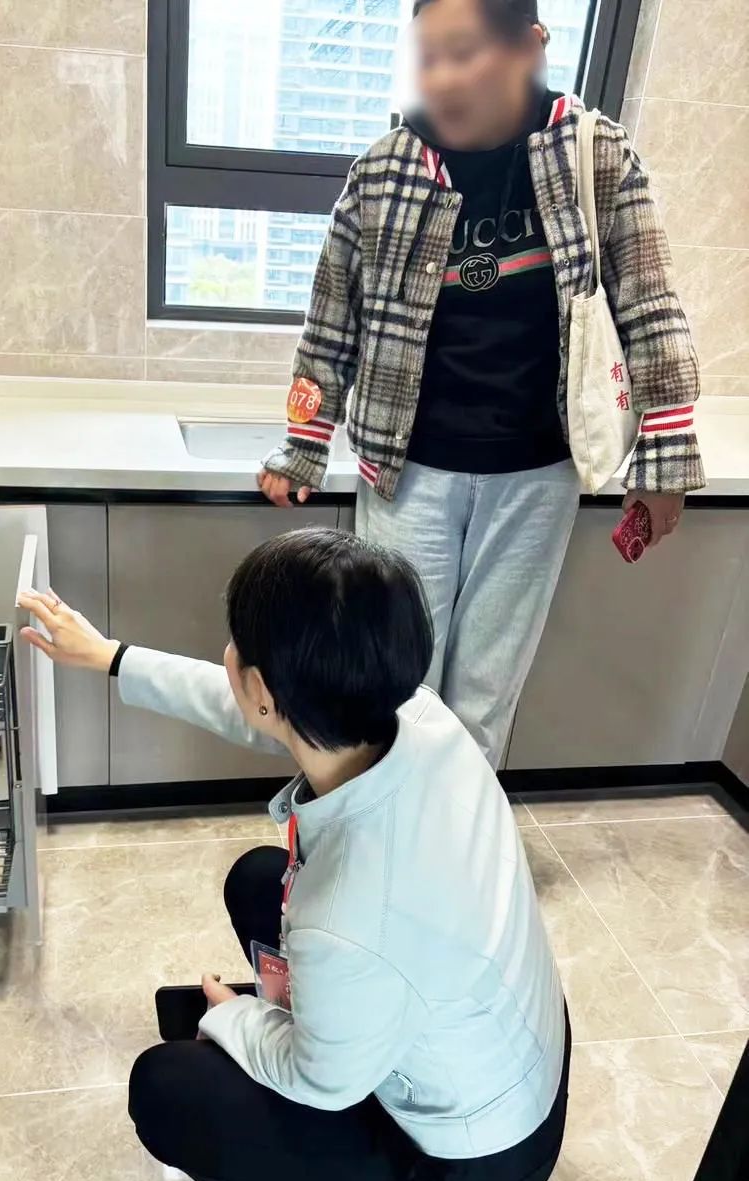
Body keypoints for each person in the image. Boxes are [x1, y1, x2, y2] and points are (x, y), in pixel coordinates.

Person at [17, 526, 570, 1181]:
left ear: (261, 687)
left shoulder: (351, 913)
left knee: (166, 1085)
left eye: (236, 646)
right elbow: (261, 712)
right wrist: (112, 657)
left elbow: (322, 1081)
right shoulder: (416, 714)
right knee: (260, 879)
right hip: (515, 1053)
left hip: (470, 1165)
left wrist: (235, 1018)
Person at [258, 0, 704, 768]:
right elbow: (331, 321)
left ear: (530, 45)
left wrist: (663, 464)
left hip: (536, 474)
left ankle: (459, 834)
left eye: (463, 54)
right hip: (406, 473)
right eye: (427, 57)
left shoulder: (595, 156)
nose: (442, 78)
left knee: (486, 690)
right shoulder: (383, 171)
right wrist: (302, 445)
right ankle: (391, 826)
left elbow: (649, 306)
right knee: (395, 680)